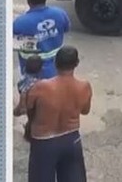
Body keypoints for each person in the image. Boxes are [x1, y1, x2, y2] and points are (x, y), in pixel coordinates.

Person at [21, 45, 92, 182]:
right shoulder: (85, 87)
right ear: (76, 63)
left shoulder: (40, 88)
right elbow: (85, 111)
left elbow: (25, 108)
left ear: (55, 62)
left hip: (44, 142)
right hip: (71, 139)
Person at [13, 0, 71, 79]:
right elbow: (66, 28)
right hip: (58, 69)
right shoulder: (60, 13)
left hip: (33, 74)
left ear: (28, 0)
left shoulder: (19, 23)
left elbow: (14, 43)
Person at [16, 55, 43, 142]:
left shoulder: (22, 78)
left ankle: (28, 135)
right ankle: (31, 136)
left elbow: (21, 90)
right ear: (40, 70)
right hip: (32, 102)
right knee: (33, 119)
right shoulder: (36, 83)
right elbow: (24, 92)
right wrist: (23, 105)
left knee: (30, 118)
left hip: (27, 101)